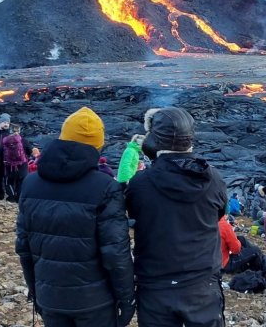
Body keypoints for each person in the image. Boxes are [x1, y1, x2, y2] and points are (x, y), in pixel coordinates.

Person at [15, 107, 134, 327]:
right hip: (95, 302)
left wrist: (36, 291)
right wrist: (127, 299)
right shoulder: (105, 187)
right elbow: (116, 253)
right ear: (98, 146)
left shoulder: (30, 183)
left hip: (50, 297)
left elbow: (24, 247)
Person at [126, 107, 227, 326]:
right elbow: (219, 213)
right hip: (202, 285)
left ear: (153, 141)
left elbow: (131, 215)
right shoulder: (213, 179)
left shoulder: (139, 184)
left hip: (155, 286)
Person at [2, 124, 30, 202]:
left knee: (8, 182)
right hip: (22, 165)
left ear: (10, 131)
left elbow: (1, 152)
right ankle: (19, 198)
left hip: (9, 166)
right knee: (21, 181)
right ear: (19, 131)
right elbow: (29, 150)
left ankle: (12, 197)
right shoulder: (23, 140)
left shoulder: (5, 140)